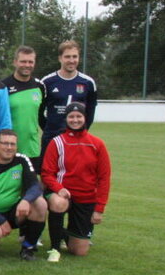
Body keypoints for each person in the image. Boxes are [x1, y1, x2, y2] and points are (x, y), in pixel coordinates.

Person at [40, 102, 111, 262]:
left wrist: (99, 208)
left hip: (86, 198)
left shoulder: (97, 144)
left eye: (79, 116)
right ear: (66, 119)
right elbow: (47, 173)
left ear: (85, 118)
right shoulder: (57, 142)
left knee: (79, 251)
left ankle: (64, 233)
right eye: (71, 116)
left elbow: (104, 178)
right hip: (63, 194)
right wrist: (59, 188)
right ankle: (55, 248)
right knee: (58, 203)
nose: (75, 120)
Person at [0, 129, 47, 260]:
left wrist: (25, 200)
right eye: (5, 143)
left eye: (12, 144)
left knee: (40, 203)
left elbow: (36, 186)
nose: (9, 147)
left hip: (13, 211)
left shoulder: (22, 160)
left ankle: (28, 248)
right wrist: (1, 221)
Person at [40, 40, 98, 149]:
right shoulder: (47, 82)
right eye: (67, 57)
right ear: (60, 58)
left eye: (74, 57)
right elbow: (39, 113)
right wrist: (50, 129)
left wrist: (80, 131)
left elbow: (90, 114)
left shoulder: (88, 82)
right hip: (51, 139)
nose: (71, 60)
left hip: (77, 140)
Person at [1, 45, 46, 171]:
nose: (27, 65)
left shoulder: (39, 86)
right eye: (23, 61)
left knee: (32, 188)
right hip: (7, 148)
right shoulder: (3, 86)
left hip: (32, 148)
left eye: (30, 61)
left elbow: (41, 116)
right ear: (15, 62)